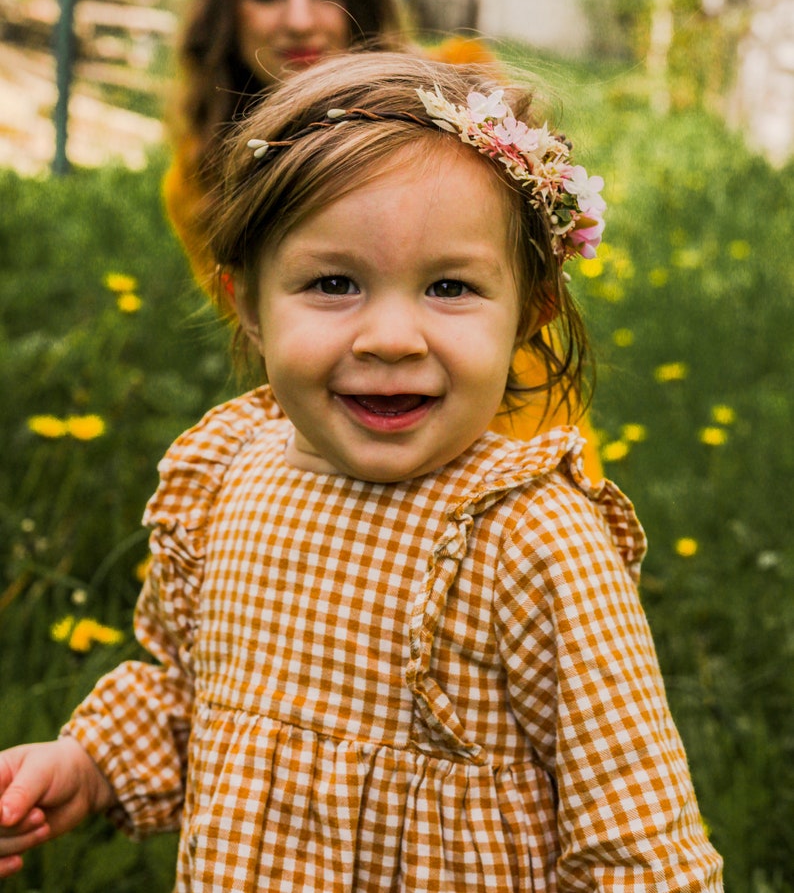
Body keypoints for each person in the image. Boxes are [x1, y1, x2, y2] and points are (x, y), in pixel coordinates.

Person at [0, 54, 722, 890]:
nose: (390, 336)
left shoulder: (534, 539)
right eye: (333, 282)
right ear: (248, 302)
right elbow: (192, 696)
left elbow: (637, 841)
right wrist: (89, 764)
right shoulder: (226, 479)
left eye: (449, 286)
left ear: (532, 309)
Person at [162, 0, 602, 476]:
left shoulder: (466, 105)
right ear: (227, 10)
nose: (298, 20)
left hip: (502, 415)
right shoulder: (201, 178)